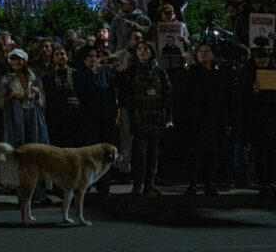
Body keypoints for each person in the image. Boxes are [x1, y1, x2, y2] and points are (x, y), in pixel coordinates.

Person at [118, 41, 172, 196]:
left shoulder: (160, 72)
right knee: (139, 153)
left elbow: (168, 93)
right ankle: (138, 183)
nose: (142, 52)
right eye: (140, 49)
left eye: (146, 49)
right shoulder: (131, 72)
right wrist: (133, 107)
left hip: (155, 117)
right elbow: (124, 94)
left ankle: (150, 183)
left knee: (153, 153)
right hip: (139, 118)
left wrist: (164, 110)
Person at [0, 49, 50, 204]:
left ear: (24, 60)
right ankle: (23, 192)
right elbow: (0, 103)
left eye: (18, 59)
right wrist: (11, 96)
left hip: (33, 117)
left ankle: (40, 192)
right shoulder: (7, 79)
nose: (16, 62)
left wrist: (37, 94)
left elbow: (43, 101)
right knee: (20, 154)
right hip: (16, 119)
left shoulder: (34, 78)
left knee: (37, 153)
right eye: (13, 60)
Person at [179, 43, 228, 197]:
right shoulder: (192, 72)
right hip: (195, 120)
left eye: (207, 51)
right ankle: (192, 184)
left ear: (213, 55)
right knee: (194, 153)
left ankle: (208, 184)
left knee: (210, 154)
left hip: (212, 119)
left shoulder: (217, 74)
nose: (203, 54)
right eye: (200, 51)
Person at [74, 46, 119, 195]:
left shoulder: (105, 74)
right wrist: (92, 74)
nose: (93, 59)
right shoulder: (80, 75)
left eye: (96, 56)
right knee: (89, 152)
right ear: (84, 59)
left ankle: (104, 182)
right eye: (90, 56)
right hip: (90, 119)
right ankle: (86, 182)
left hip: (106, 118)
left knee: (106, 152)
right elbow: (83, 93)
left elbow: (112, 91)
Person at [239, 48, 276, 199]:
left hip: (272, 120)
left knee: (272, 153)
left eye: (265, 59)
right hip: (257, 121)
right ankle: (263, 183)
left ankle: (271, 181)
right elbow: (243, 100)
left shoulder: (273, 74)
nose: (262, 62)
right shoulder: (248, 76)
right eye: (260, 59)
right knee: (260, 153)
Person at [42, 44, 81, 148]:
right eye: (57, 54)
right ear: (53, 57)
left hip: (74, 115)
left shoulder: (76, 74)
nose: (60, 56)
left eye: (63, 54)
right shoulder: (47, 76)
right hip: (55, 116)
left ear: (67, 57)